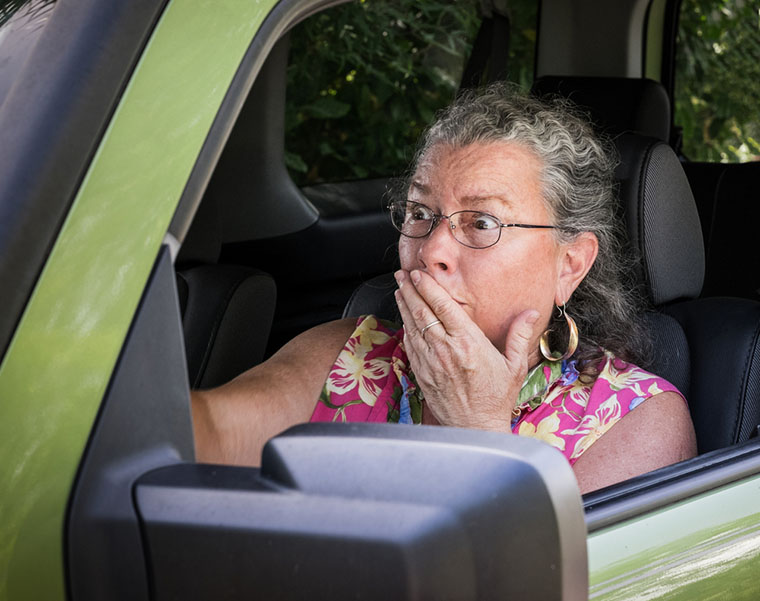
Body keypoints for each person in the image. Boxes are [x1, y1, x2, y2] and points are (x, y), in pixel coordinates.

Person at [192, 83, 696, 494]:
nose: (431, 248)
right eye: (420, 213)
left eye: (481, 222)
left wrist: (476, 427)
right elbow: (201, 434)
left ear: (569, 265)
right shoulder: (348, 356)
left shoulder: (639, 420)